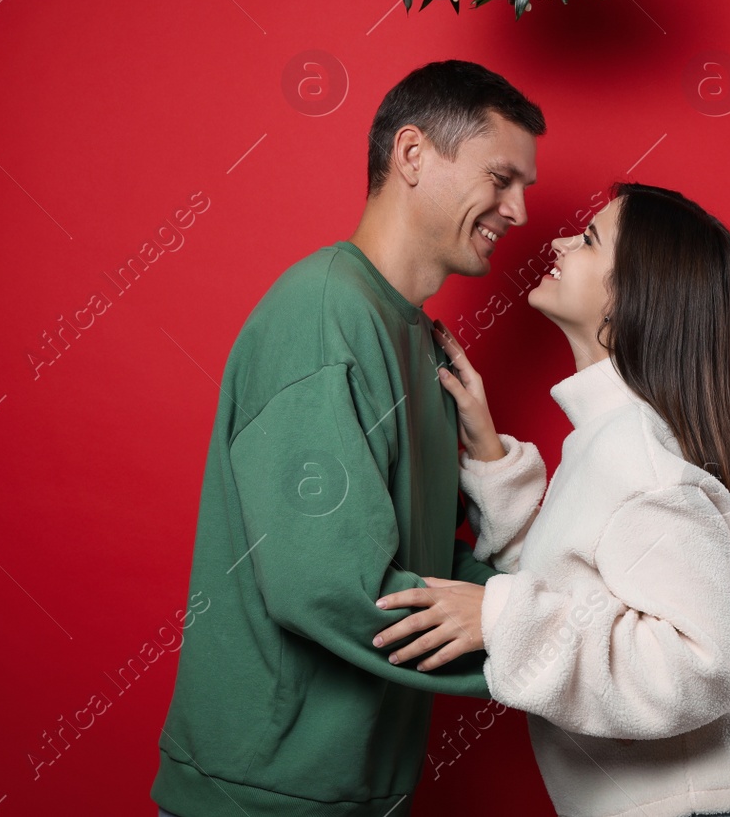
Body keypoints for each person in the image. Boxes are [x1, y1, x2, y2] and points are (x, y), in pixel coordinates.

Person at [151, 59, 546, 817]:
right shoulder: (324, 314)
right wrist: (552, 649)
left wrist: (550, 611)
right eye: (501, 177)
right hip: (268, 799)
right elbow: (331, 581)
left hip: (360, 791)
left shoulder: (422, 341)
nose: (520, 210)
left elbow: (423, 566)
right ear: (412, 155)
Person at [374, 181, 730, 817]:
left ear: (629, 299)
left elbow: (706, 667)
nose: (558, 242)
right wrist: (490, 457)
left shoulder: (639, 458)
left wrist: (499, 619)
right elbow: (570, 580)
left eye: (587, 240)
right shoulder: (609, 441)